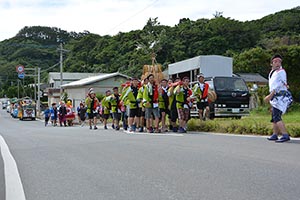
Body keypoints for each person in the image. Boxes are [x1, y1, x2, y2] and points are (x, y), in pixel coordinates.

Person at [264, 54, 292, 143]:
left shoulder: (281, 71)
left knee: (277, 117)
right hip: (275, 99)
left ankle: (285, 135)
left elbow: (279, 85)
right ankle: (275, 134)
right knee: (274, 117)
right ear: (271, 63)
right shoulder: (272, 72)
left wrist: (270, 95)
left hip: (280, 98)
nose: (277, 63)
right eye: (275, 61)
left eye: (279, 61)